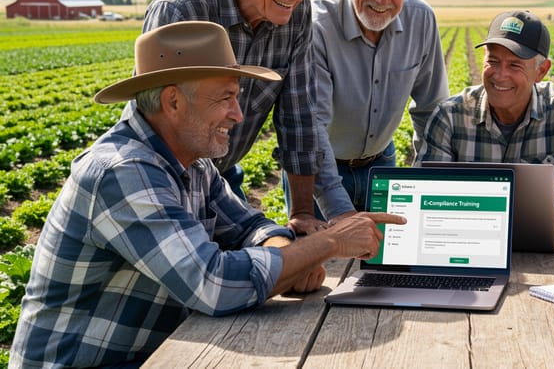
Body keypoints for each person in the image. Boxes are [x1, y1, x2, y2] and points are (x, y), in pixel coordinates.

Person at [9, 21, 404, 368]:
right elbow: (212, 284)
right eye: (225, 98)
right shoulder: (122, 172)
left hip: (151, 352)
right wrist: (327, 242)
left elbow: (249, 225)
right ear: (173, 102)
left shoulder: (192, 163)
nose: (238, 114)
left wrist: (290, 255)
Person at [141, 0, 356, 236]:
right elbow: (159, 118)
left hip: (221, 177)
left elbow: (299, 115)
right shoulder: (186, 8)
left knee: (267, 255)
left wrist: (301, 212)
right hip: (162, 177)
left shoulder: (298, 15)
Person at [309, 0, 448, 210]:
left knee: (388, 254)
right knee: (323, 253)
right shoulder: (317, 27)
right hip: (319, 170)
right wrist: (339, 212)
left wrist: (426, 183)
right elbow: (313, 128)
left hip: (382, 165)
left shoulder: (421, 20)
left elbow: (432, 110)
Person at [415, 10, 554, 178]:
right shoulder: (450, 117)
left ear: (541, 71)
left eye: (514, 65)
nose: (500, 75)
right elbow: (427, 193)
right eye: (493, 61)